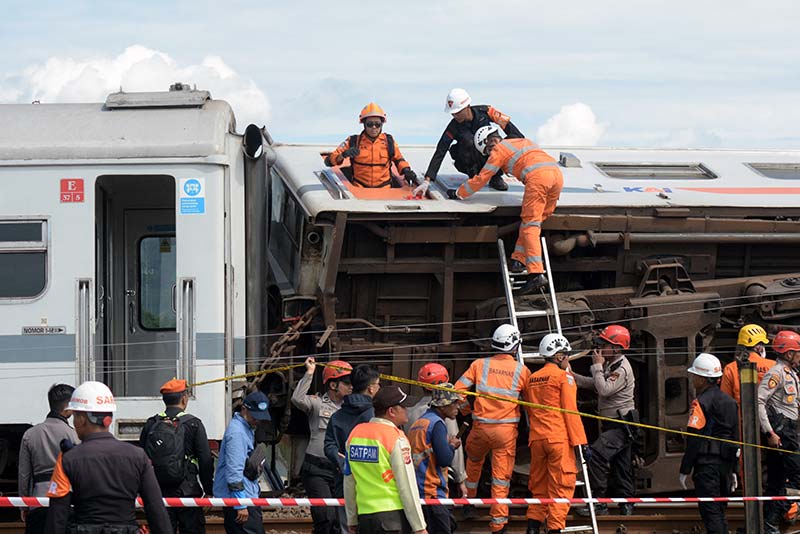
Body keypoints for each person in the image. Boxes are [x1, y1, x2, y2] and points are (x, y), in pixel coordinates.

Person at [448, 124, 563, 294]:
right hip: (557, 176)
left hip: (538, 179)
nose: (488, 154)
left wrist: (459, 193)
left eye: (486, 151)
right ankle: (518, 258)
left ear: (488, 142)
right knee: (534, 222)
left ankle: (536, 273)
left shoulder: (498, 151)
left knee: (530, 225)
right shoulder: (522, 141)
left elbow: (481, 179)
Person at [45, 381, 172, 534]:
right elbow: (156, 510)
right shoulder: (139, 457)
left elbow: (57, 516)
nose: (74, 422)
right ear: (109, 418)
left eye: (75, 416)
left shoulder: (67, 459)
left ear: (83, 418)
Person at [454, 324, 531, 534]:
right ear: (515, 346)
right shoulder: (521, 370)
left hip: (480, 428)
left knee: (473, 465)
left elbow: (457, 391)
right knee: (500, 477)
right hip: (505, 433)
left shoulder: (479, 365)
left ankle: (467, 505)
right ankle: (497, 525)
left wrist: (466, 412)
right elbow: (532, 405)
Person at [524, 334, 588, 534]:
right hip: (558, 439)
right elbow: (571, 411)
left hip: (537, 439)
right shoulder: (563, 377)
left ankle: (533, 526)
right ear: (559, 356)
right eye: (567, 355)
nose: (568, 359)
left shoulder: (532, 379)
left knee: (539, 485)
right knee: (561, 485)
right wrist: (582, 443)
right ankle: (554, 529)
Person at [344, 385, 427, 534]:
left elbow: (349, 481)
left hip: (365, 518)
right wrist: (419, 526)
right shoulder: (396, 437)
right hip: (392, 518)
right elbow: (407, 485)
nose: (407, 410)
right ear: (391, 411)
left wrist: (351, 519)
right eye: (404, 406)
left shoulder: (355, 434)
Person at [573, 325, 637, 516]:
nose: (599, 347)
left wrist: (596, 366)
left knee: (596, 456)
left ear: (616, 348)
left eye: (604, 344)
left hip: (620, 424)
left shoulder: (622, 369)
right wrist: (571, 376)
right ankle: (627, 505)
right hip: (615, 423)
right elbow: (595, 383)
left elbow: (603, 389)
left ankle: (599, 503)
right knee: (621, 465)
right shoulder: (612, 365)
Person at [416, 88, 525, 195]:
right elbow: (440, 151)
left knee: (496, 142)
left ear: (467, 107)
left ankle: (495, 177)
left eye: (457, 112)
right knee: (468, 141)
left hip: (491, 160)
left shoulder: (487, 112)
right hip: (469, 163)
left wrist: (505, 146)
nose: (455, 116)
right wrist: (427, 180)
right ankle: (474, 179)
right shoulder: (453, 127)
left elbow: (515, 133)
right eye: (452, 113)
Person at [140, 379, 214, 534]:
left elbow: (142, 460)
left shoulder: (151, 423)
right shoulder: (193, 424)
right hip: (188, 491)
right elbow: (205, 459)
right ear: (184, 398)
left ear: (164, 400)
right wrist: (208, 490)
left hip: (159, 492)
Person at [678, 353, 739, 534]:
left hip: (707, 466)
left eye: (695, 376)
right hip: (726, 465)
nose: (693, 379)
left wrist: (685, 469)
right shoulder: (730, 402)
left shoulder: (701, 402)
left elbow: (694, 438)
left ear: (702, 379)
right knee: (720, 511)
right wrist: (734, 468)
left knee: (711, 512)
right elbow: (735, 437)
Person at [292, 357, 353, 534]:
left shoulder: (351, 410)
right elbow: (297, 399)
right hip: (316, 469)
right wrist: (309, 373)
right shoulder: (318, 404)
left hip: (340, 470)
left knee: (340, 521)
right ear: (333, 385)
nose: (351, 387)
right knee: (325, 518)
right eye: (347, 383)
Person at [324, 364, 381, 533]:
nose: (379, 388)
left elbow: (329, 445)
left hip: (343, 481)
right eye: (378, 384)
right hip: (373, 485)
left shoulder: (337, 416)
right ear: (371, 389)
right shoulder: (376, 416)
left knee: (346, 526)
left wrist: (341, 460)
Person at [19, 384, 79, 534]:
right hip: (68, 502)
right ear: (68, 407)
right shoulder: (76, 436)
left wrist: (23, 505)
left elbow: (24, 475)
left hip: (38, 502)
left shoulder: (30, 434)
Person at [757, 330, 800, 533]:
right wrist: (769, 432)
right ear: (789, 353)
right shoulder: (776, 373)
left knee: (775, 480)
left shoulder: (790, 373)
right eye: (797, 352)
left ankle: (768, 524)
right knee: (797, 475)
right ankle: (772, 521)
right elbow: (759, 401)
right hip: (782, 432)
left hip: (788, 430)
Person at [407, 384, 464, 534]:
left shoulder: (420, 422)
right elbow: (444, 459)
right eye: (454, 403)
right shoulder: (437, 424)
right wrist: (452, 446)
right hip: (432, 493)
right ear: (443, 405)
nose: (457, 406)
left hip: (419, 489)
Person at [213, 391, 273, 534]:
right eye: (255, 416)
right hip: (241, 498)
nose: (257, 421)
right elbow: (234, 471)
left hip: (244, 496)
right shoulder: (237, 433)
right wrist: (240, 504)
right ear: (244, 409)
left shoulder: (244, 429)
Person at [406, 364, 467, 497]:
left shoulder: (410, 413)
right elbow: (453, 452)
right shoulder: (444, 415)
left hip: (414, 479)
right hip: (434, 483)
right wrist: (460, 480)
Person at [325, 103, 419, 188]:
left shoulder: (389, 141)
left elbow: (399, 159)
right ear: (364, 125)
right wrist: (343, 155)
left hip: (385, 190)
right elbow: (329, 161)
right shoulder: (353, 141)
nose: (374, 127)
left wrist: (406, 171)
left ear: (382, 125)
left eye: (377, 124)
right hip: (360, 189)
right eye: (370, 124)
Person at [721, 323, 773, 409]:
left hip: (740, 419)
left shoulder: (730, 368)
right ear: (759, 347)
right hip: (768, 419)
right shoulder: (773, 366)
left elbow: (726, 402)